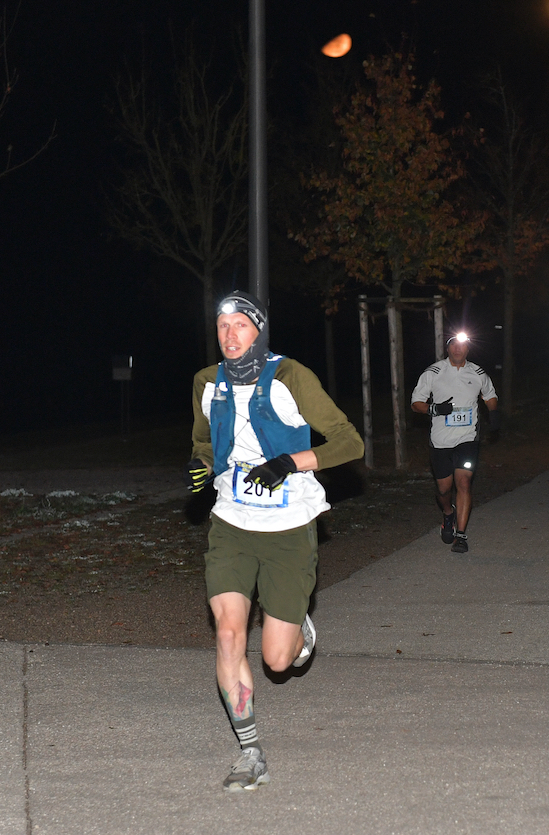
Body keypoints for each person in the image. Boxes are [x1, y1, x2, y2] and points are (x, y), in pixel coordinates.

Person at [186, 291, 364, 792]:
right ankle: (250, 751)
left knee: (277, 662)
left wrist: (288, 462)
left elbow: (350, 442)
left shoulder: (290, 377)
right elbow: (203, 444)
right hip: (232, 524)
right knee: (227, 633)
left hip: (288, 528)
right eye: (223, 327)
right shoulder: (206, 383)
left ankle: (299, 628)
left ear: (258, 331)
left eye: (240, 325)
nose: (230, 335)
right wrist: (200, 470)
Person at [410, 331, 499, 553]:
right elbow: (415, 403)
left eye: (462, 345)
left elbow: (490, 396)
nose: (458, 349)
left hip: (467, 438)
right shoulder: (433, 372)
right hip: (440, 441)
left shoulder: (477, 372)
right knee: (444, 490)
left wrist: (494, 416)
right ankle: (448, 514)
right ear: (448, 348)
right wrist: (434, 409)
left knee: (464, 483)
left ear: (468, 349)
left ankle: (461, 535)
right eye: (453, 345)